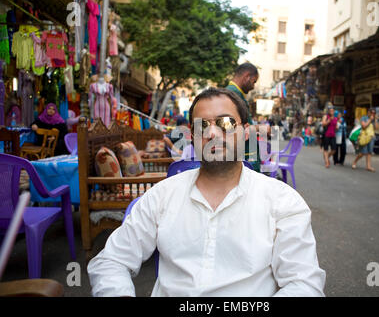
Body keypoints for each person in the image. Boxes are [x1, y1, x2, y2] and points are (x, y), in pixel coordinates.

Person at [88, 87, 326, 297]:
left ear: (245, 132)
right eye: (203, 125)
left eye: (226, 123)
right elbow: (111, 261)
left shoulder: (283, 202)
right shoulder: (162, 196)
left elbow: (303, 284)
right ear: (193, 136)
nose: (213, 133)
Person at [226, 63, 266, 172]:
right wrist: (258, 128)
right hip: (245, 155)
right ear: (247, 77)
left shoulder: (231, 93)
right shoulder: (234, 94)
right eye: (254, 82)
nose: (253, 86)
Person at [352, 108, 378, 172]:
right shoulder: (364, 118)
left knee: (369, 152)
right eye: (372, 113)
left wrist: (375, 120)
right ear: (368, 112)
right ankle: (354, 162)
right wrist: (370, 120)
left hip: (371, 137)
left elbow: (377, 128)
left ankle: (368, 166)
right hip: (364, 137)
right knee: (362, 152)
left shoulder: (374, 120)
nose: (373, 114)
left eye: (374, 113)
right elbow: (364, 126)